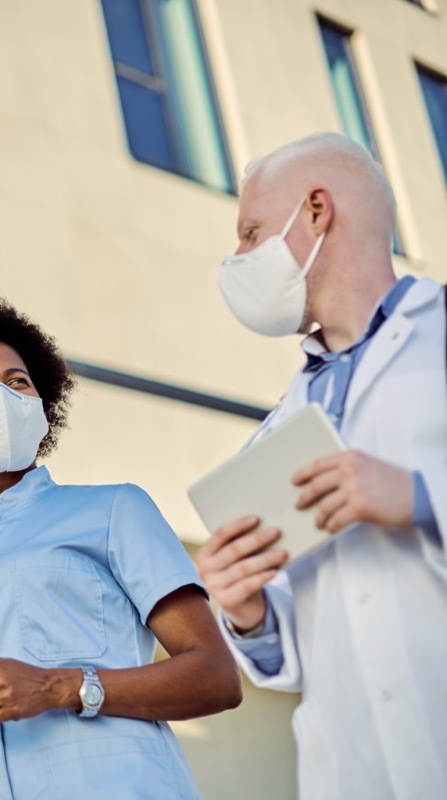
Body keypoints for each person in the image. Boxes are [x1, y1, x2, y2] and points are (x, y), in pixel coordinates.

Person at [0, 298, 242, 799]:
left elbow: (217, 676)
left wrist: (59, 687)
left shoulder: (115, 511)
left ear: (41, 403)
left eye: (17, 382)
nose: (2, 398)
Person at [194, 131, 447, 799]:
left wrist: (421, 497)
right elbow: (296, 659)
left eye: (250, 232)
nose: (239, 258)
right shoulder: (284, 426)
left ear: (315, 211)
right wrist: (246, 609)